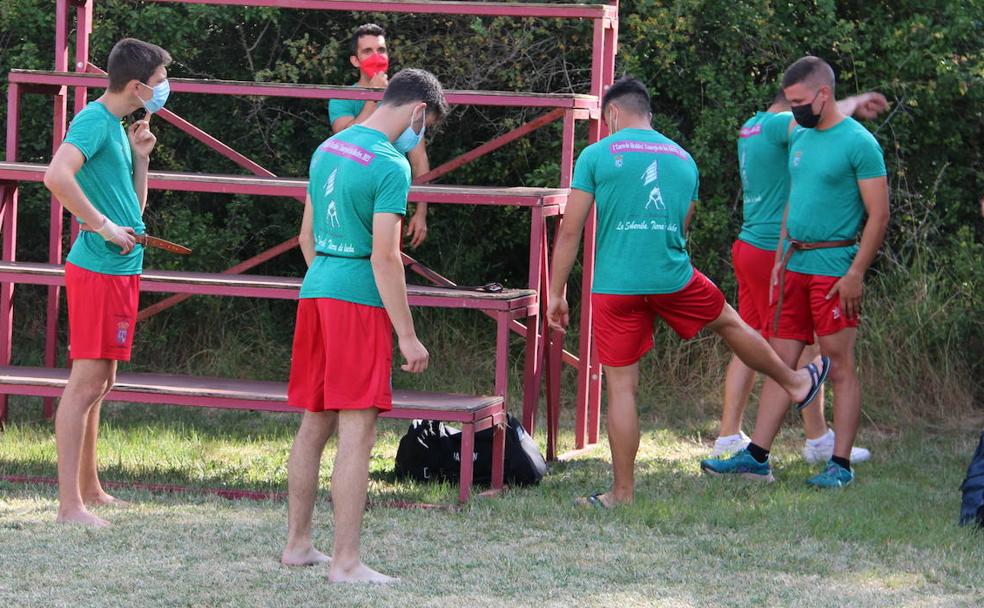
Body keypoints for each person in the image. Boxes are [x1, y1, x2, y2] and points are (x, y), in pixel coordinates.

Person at [546, 76, 830, 508]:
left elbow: (570, 230)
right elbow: (683, 223)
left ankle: (621, 493)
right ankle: (793, 382)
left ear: (612, 115)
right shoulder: (682, 158)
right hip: (673, 277)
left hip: (614, 287)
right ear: (649, 115)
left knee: (622, 389)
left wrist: (557, 292)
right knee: (732, 323)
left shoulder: (596, 155)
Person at [280, 68, 448, 583]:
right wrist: (407, 334)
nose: (423, 136)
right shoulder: (390, 165)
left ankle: (298, 546)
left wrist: (328, 281)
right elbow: (386, 258)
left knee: (315, 423)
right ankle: (346, 562)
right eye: (429, 126)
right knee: (357, 430)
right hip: (356, 300)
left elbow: (306, 237)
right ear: (419, 111)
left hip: (319, 287)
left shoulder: (328, 149)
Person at [702, 56, 890, 488]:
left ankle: (839, 464)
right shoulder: (800, 136)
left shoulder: (859, 143)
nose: (795, 109)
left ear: (824, 94)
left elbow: (879, 215)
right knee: (779, 362)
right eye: (790, 102)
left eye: (801, 101)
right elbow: (794, 201)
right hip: (792, 267)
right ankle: (756, 458)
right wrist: (781, 260)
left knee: (839, 364)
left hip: (833, 269)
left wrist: (857, 272)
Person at [42, 38, 170, 527]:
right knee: (85, 383)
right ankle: (68, 506)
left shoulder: (118, 128)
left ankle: (90, 489)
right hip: (97, 268)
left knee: (103, 381)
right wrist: (99, 225)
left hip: (121, 269)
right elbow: (56, 176)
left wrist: (141, 159)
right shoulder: (94, 121)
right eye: (159, 81)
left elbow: (132, 214)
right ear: (137, 85)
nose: (163, 89)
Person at [328, 23, 431, 249]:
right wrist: (373, 97)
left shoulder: (407, 98)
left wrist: (421, 211)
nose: (376, 56)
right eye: (368, 51)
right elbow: (344, 140)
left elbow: (418, 157)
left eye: (381, 50)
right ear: (355, 60)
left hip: (390, 194)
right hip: (351, 198)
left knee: (388, 261)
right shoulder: (341, 98)